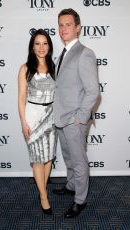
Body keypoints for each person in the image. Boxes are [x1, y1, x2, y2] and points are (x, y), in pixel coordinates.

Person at [53, 8, 99, 218]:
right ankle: (71, 186)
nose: (64, 29)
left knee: (79, 161)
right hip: (61, 117)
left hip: (74, 120)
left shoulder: (84, 53)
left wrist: (80, 118)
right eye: (61, 25)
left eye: (68, 24)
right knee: (68, 157)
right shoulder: (63, 52)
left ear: (78, 28)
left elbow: (93, 91)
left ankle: (80, 201)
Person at [18, 29, 57, 215]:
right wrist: (23, 123)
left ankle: (43, 188)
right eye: (37, 43)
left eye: (45, 43)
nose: (41, 47)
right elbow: (21, 97)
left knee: (48, 157)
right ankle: (43, 196)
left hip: (51, 116)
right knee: (37, 159)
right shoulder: (25, 68)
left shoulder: (54, 66)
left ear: (49, 46)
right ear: (32, 47)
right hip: (33, 116)